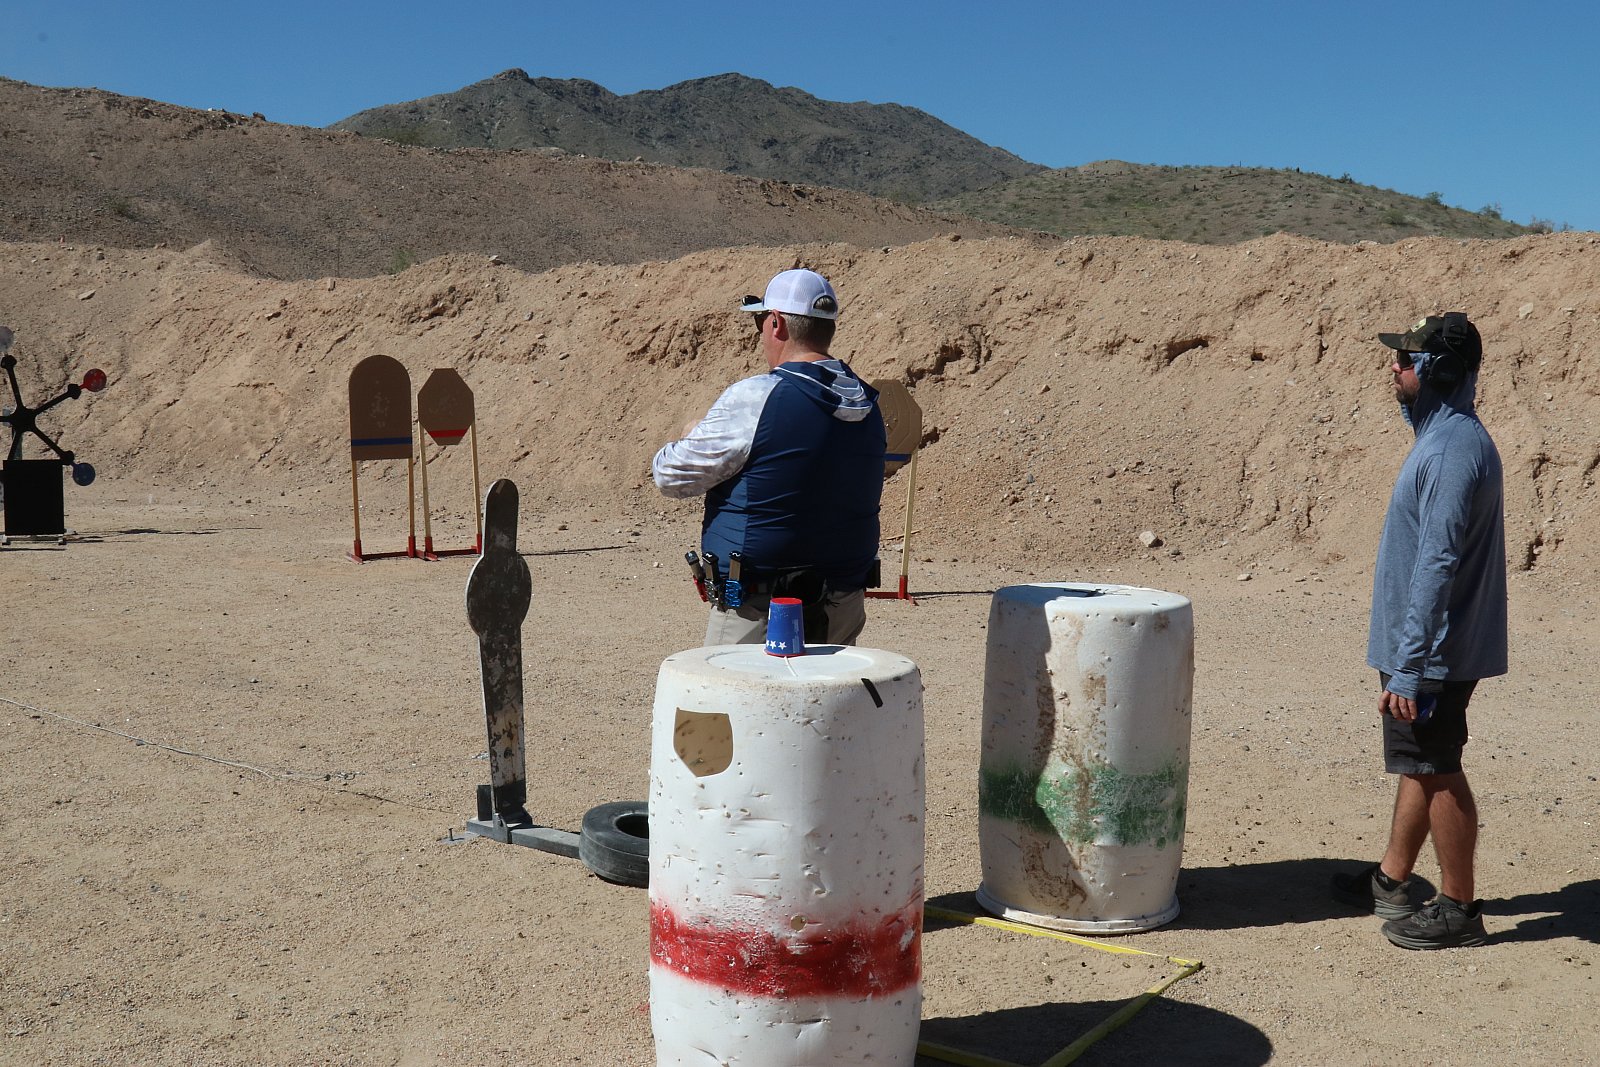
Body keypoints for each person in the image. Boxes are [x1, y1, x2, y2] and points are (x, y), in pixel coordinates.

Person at [1331, 311, 1508, 949]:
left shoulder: (1453, 450)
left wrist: (1411, 666)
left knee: (1437, 767)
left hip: (1433, 652)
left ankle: (1459, 907)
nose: (1394, 367)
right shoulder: (1442, 437)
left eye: (1407, 360)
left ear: (1440, 370)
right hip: (1428, 647)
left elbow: (1437, 561)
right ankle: (1392, 880)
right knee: (1420, 760)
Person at [652, 268, 886, 646]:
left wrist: (691, 435)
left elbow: (671, 476)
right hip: (841, 604)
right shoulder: (867, 402)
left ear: (776, 323)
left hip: (759, 608)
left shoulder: (757, 397)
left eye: (760, 320)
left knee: (731, 688)